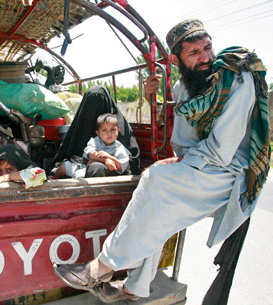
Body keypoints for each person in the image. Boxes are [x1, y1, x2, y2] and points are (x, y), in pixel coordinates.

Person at [53, 19, 270, 303]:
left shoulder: (235, 79)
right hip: (202, 166)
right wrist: (153, 98)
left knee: (156, 182)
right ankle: (134, 288)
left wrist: (174, 163)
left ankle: (100, 268)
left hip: (231, 173)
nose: (205, 57)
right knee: (156, 208)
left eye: (207, 48)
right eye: (194, 53)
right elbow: (180, 141)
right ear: (176, 59)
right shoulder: (183, 88)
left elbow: (221, 149)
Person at [50, 85, 140, 176]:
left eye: (100, 102)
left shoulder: (117, 127)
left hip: (112, 170)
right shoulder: (91, 138)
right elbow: (78, 155)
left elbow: (130, 163)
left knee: (96, 167)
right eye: (91, 104)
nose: (109, 133)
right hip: (83, 168)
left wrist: (105, 160)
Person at [51, 113, 132, 178]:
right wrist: (105, 159)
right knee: (65, 166)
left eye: (112, 130)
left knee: (97, 167)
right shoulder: (95, 141)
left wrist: (109, 158)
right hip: (85, 167)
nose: (109, 134)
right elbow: (91, 154)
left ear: (118, 130)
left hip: (107, 173)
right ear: (98, 133)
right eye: (104, 130)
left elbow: (121, 166)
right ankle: (53, 179)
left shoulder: (118, 146)